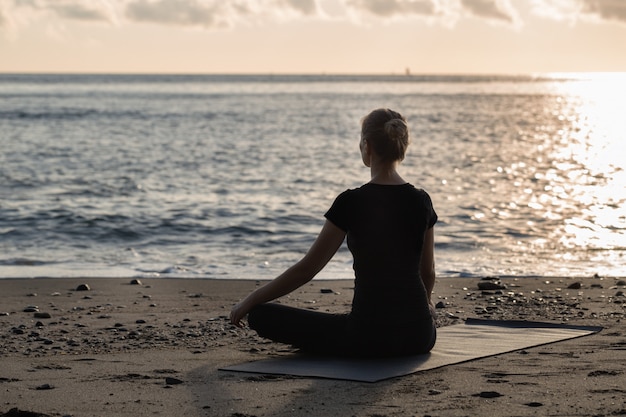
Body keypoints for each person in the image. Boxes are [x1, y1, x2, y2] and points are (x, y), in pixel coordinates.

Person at [230, 108, 438, 357]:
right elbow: (428, 272)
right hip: (420, 337)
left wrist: (251, 300)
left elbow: (308, 269)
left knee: (262, 315)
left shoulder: (351, 202)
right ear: (402, 147)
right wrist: (425, 306)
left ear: (366, 146)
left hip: (366, 337)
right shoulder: (421, 200)